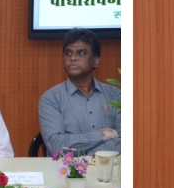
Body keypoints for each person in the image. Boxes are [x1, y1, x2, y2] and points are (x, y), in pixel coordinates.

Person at [38, 28, 121, 156]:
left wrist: (80, 149)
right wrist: (101, 136)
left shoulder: (116, 96)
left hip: (109, 173)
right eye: (68, 53)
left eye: (81, 53)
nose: (73, 58)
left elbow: (126, 142)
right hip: (66, 174)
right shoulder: (51, 99)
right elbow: (55, 145)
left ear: (96, 61)